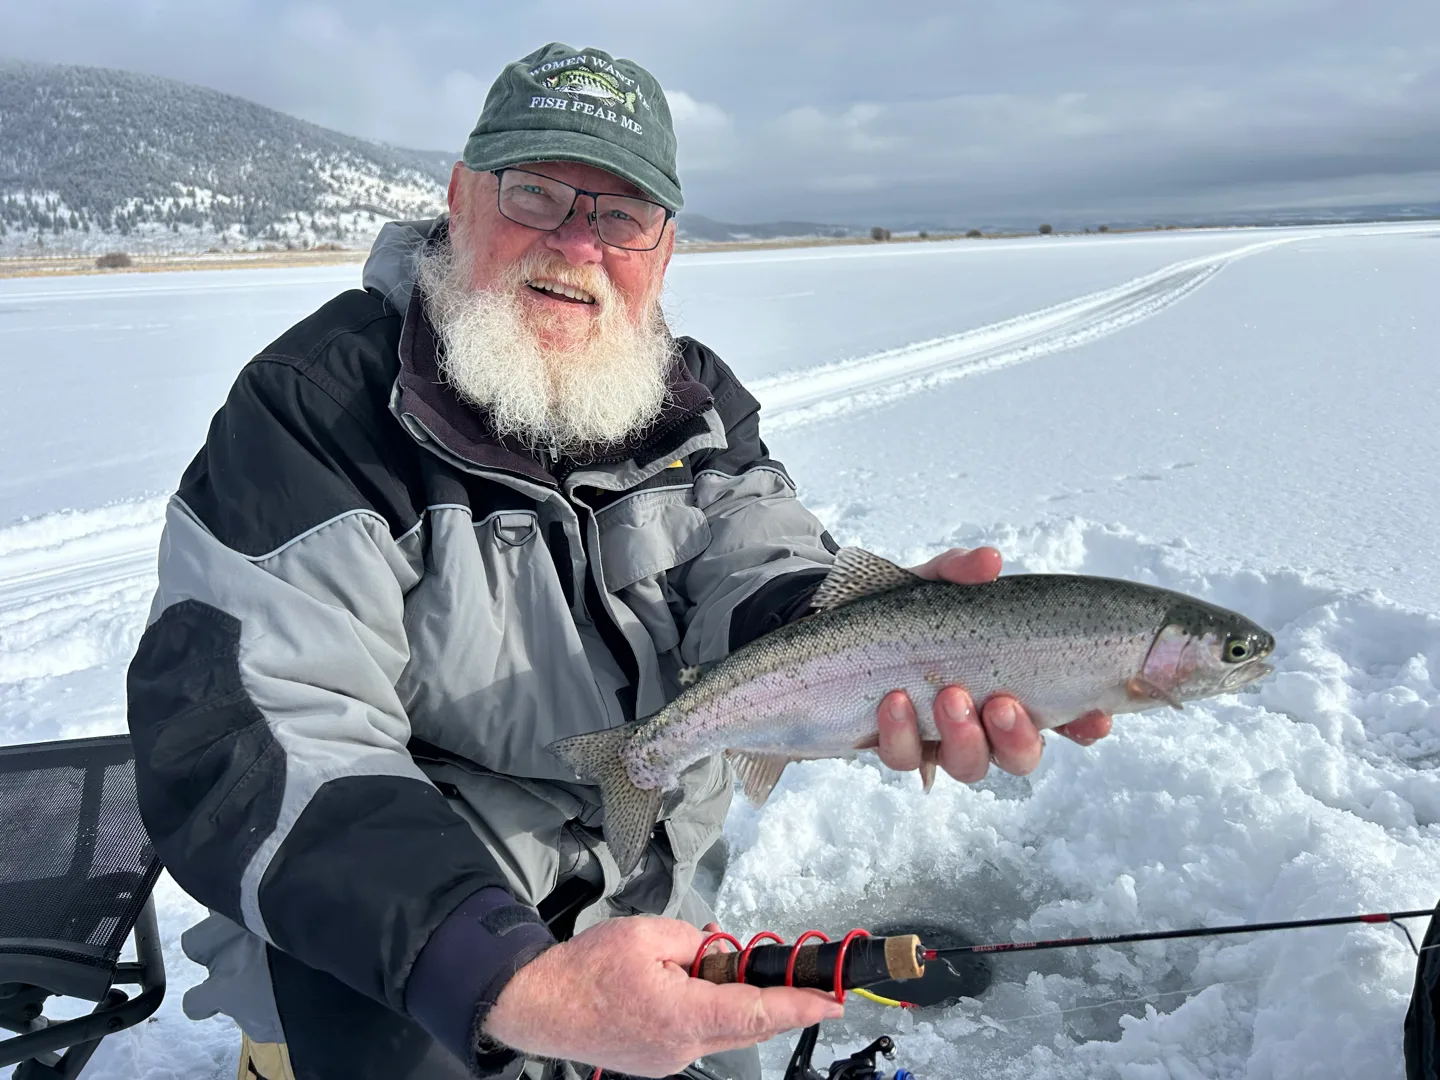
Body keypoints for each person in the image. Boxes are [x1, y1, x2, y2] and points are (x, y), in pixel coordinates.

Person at [125, 42, 1112, 1080]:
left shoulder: (688, 400)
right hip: (393, 955)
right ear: (461, 199)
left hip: (651, 915)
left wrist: (857, 651)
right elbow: (254, 732)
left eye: (620, 215)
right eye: (539, 193)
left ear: (665, 247)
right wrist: (510, 978)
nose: (576, 245)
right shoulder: (313, 413)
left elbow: (758, 558)